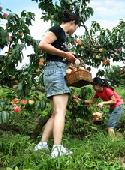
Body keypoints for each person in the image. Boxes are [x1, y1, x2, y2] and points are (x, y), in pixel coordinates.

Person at [33, 10, 80, 158]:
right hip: (55, 71)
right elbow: (43, 44)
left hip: (53, 71)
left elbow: (56, 53)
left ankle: (42, 145)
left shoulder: (62, 37)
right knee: (61, 112)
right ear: (72, 23)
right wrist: (65, 55)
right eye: (76, 27)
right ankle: (57, 149)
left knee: (55, 113)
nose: (75, 30)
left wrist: (69, 57)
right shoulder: (57, 30)